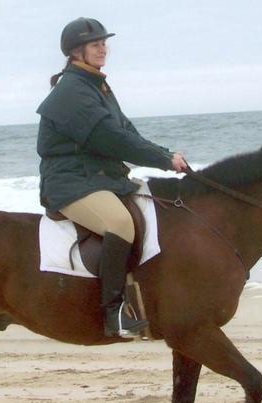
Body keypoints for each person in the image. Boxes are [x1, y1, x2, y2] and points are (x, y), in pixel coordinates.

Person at [37, 17, 187, 338]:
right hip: (71, 182)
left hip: (97, 177)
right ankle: (113, 312)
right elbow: (112, 139)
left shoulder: (97, 85)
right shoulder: (72, 93)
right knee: (120, 223)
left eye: (104, 43)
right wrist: (163, 160)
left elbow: (125, 131)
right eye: (96, 44)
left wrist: (166, 154)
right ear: (77, 52)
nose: (103, 48)